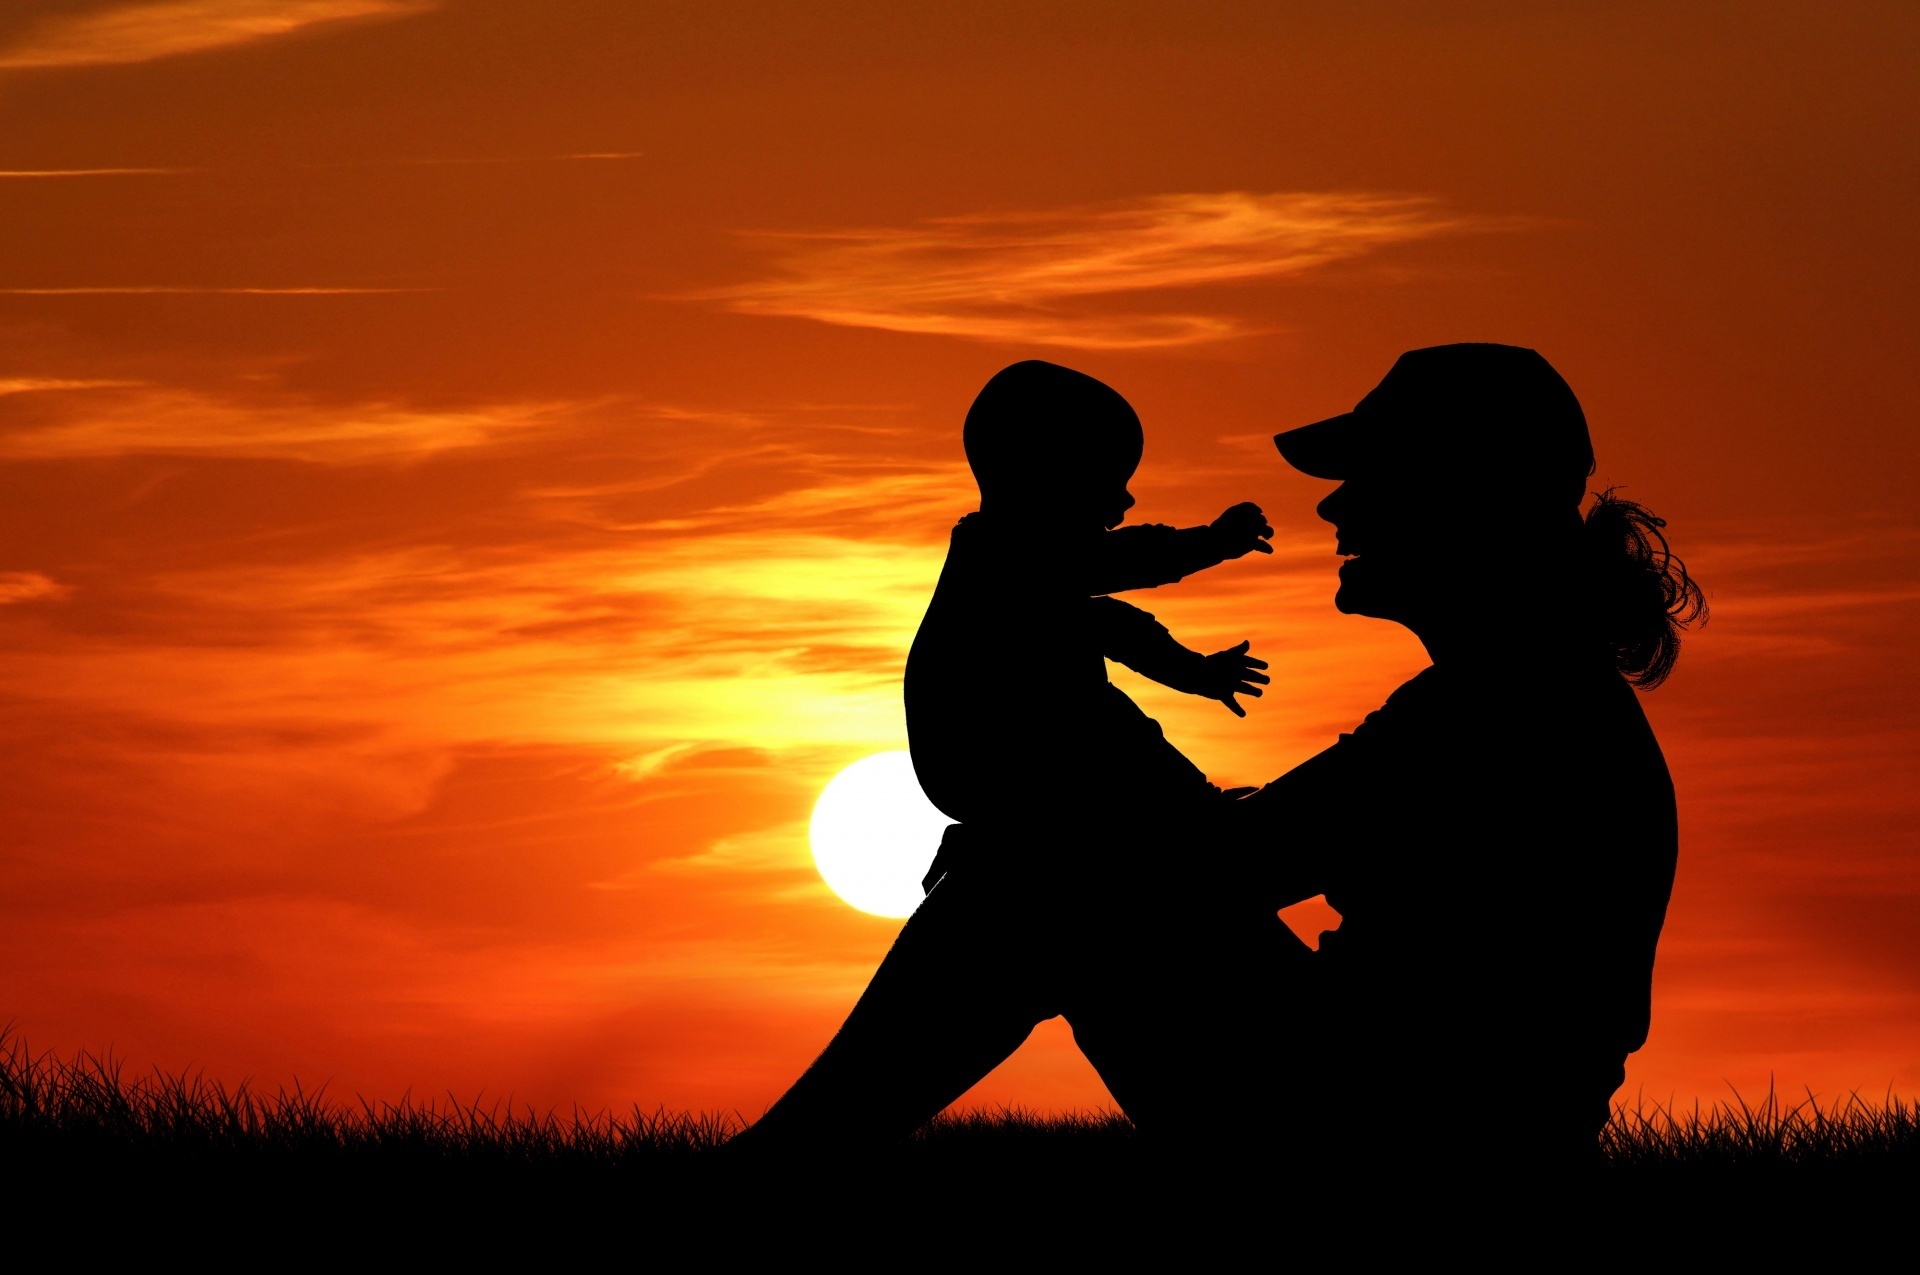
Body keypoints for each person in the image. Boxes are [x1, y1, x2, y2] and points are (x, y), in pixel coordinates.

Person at [739, 360, 1283, 1147]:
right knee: (1110, 743)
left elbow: (1113, 625)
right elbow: (1120, 568)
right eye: (1110, 479)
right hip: (1018, 783)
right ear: (1045, 472)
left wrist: (1195, 671)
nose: (1123, 501)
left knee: (1112, 741)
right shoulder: (1003, 557)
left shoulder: (1027, 575)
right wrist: (1214, 542)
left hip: (1040, 796)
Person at [1244, 342, 1704, 1167]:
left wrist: (1048, 829)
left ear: (1464, 494)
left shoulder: (1500, 709)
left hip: (1403, 1131)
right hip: (1437, 1115)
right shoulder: (1529, 690)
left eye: (1373, 474)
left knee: (1033, 890)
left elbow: (1225, 864)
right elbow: (1266, 836)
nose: (1333, 508)